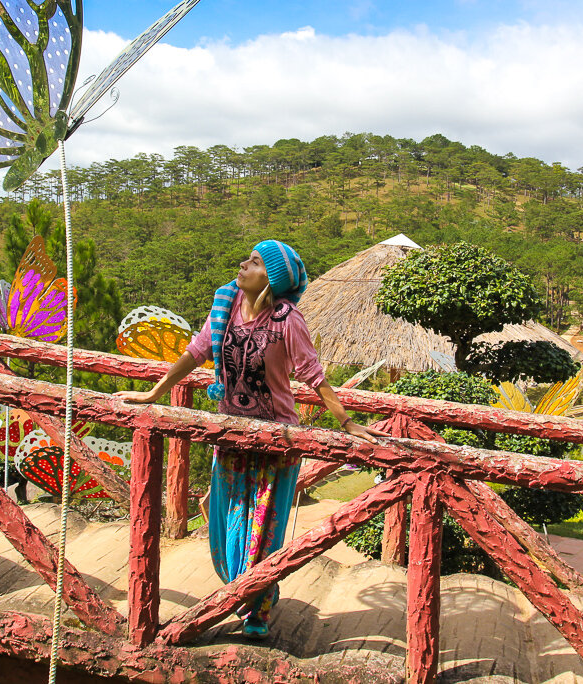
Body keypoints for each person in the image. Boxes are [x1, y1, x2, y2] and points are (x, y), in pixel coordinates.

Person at [119, 240, 384, 638]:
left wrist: (347, 423)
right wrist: (153, 393)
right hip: (230, 439)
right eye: (247, 258)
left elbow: (314, 375)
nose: (243, 264)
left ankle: (256, 608)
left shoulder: (287, 320)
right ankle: (247, 591)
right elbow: (195, 353)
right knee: (226, 531)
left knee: (260, 532)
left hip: (275, 443)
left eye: (255, 262)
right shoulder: (224, 310)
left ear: (271, 279)